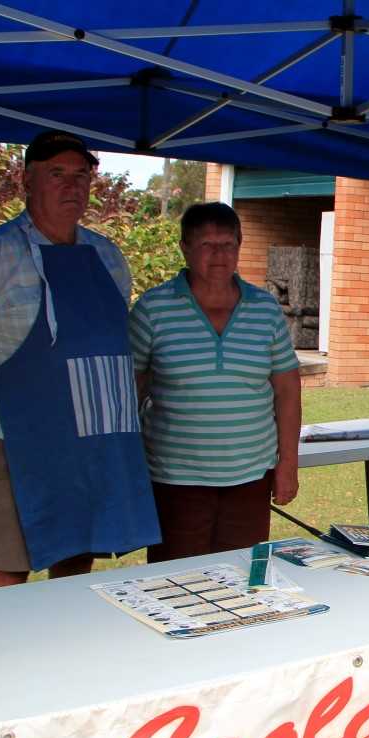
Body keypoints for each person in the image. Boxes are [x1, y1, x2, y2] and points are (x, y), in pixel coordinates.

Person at [0, 130, 159, 589]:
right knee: (8, 567)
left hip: (93, 440)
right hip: (21, 444)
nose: (72, 187)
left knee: (76, 559)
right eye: (57, 174)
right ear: (26, 181)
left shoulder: (107, 255)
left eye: (82, 175)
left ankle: (66, 656)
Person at [129, 203, 301, 561]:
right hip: (175, 480)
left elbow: (287, 390)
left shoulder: (265, 309)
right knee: (175, 583)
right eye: (207, 245)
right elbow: (131, 390)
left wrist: (288, 464)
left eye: (228, 244)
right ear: (185, 249)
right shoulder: (153, 309)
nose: (219, 255)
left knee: (241, 580)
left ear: (239, 247)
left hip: (251, 477)